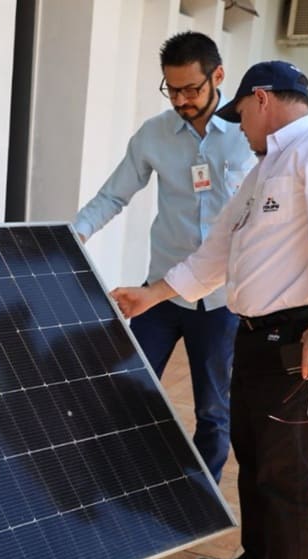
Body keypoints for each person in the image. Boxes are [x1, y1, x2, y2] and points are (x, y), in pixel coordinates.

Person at [109, 60, 308, 559]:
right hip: (257, 340)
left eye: (241, 115)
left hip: (303, 338)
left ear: (261, 99)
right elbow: (215, 254)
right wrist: (152, 295)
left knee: (288, 473)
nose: (240, 128)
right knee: (255, 460)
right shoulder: (265, 169)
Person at [72, 31, 255, 483]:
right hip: (161, 295)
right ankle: (117, 483)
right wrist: (73, 234)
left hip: (222, 302)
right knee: (128, 390)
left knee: (213, 408)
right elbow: (113, 196)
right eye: (171, 89)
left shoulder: (248, 134)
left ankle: (201, 496)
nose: (181, 99)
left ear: (218, 77)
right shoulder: (154, 135)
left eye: (191, 89)